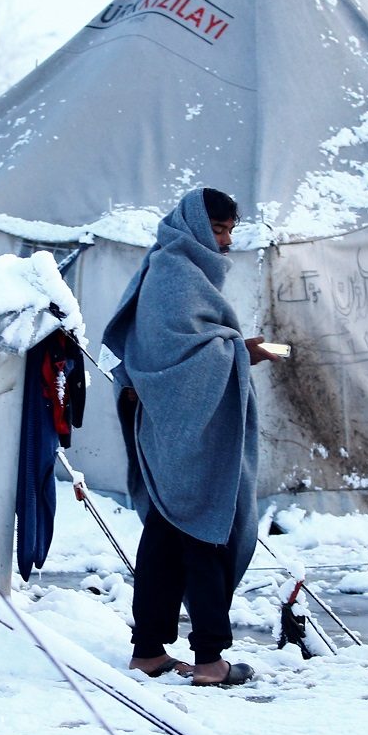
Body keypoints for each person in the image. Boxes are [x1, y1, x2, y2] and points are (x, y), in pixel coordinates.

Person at [100, 188, 281, 687]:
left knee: (164, 536)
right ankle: (210, 660)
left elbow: (173, 348)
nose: (225, 241)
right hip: (187, 433)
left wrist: (233, 350)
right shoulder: (176, 274)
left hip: (173, 428)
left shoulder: (171, 265)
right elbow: (174, 358)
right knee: (206, 531)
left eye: (229, 230)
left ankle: (148, 651)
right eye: (218, 229)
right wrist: (241, 353)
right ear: (195, 225)